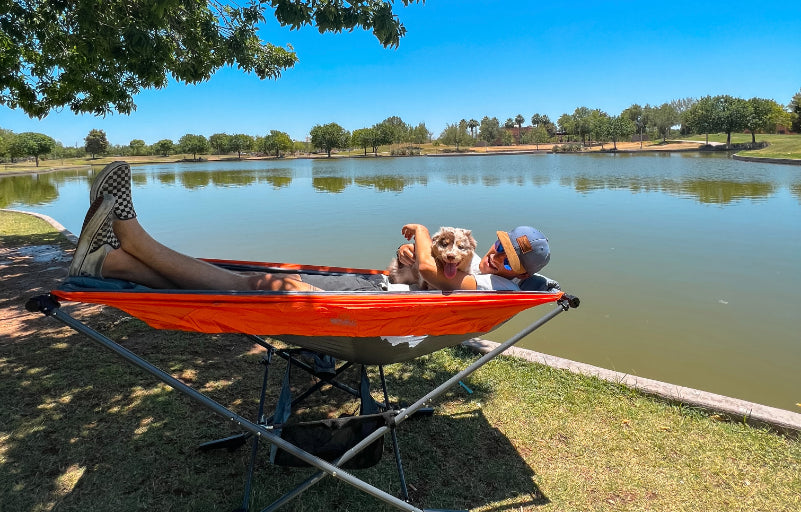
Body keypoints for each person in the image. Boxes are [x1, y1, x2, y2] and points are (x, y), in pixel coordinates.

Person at [70, 161, 551, 292]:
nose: (494, 254)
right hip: (372, 290)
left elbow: (433, 268)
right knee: (250, 278)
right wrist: (407, 262)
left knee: (260, 285)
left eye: (507, 256)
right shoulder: (481, 270)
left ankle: (129, 241)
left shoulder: (493, 287)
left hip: (366, 309)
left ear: (516, 271)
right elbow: (424, 270)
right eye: (498, 245)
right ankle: (112, 262)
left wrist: (422, 231)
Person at [396, 223, 551, 291]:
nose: (495, 257)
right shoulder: (474, 260)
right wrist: (407, 250)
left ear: (523, 275)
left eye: (508, 262)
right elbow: (434, 254)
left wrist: (421, 231)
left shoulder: (500, 287)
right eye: (500, 246)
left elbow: (427, 269)